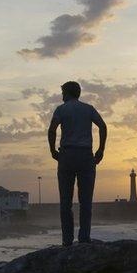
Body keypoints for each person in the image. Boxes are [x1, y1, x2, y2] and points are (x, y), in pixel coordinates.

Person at [48, 81, 107, 246]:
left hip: (67, 154)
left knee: (65, 202)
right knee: (85, 201)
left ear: (67, 93)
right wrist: (101, 150)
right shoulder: (88, 109)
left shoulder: (61, 109)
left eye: (62, 93)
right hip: (85, 155)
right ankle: (84, 238)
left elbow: (52, 130)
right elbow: (102, 126)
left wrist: (53, 150)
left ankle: (67, 240)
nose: (61, 96)